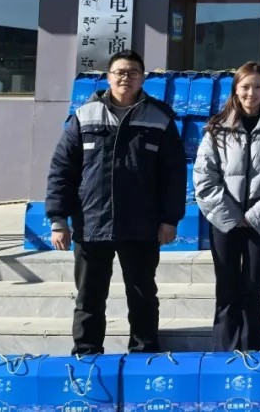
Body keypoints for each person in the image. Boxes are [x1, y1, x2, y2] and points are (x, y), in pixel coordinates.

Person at [46, 50, 186, 355]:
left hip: (142, 224)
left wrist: (170, 218)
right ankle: (86, 353)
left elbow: (174, 174)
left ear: (143, 78)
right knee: (89, 296)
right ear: (108, 77)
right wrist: (58, 219)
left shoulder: (160, 117)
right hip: (92, 222)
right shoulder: (85, 115)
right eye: (120, 72)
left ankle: (145, 351)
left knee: (143, 295)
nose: (126, 78)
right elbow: (62, 169)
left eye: (133, 72)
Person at [194, 61, 260, 352]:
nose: (252, 93)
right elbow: (204, 177)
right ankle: (224, 351)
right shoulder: (216, 129)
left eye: (258, 87)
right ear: (236, 90)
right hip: (224, 221)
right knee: (226, 288)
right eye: (246, 86)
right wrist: (231, 216)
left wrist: (255, 216)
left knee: (253, 287)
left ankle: (253, 348)